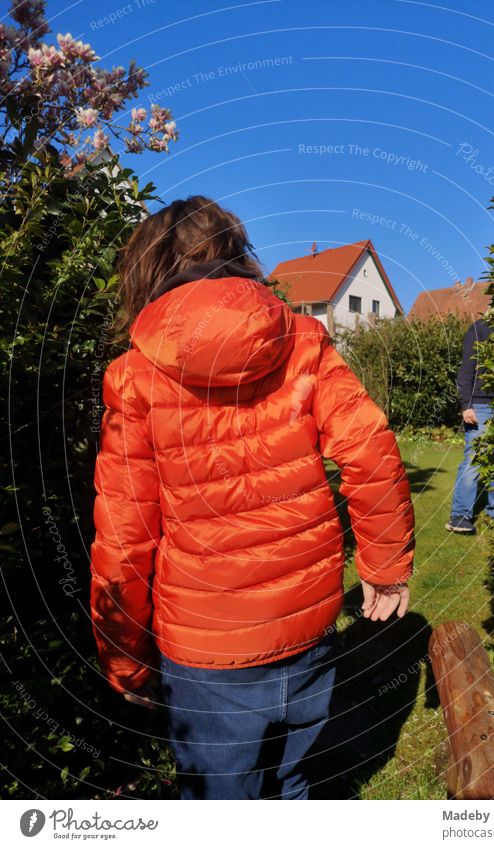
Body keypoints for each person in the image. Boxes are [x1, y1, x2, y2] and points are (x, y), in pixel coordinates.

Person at [89, 195, 415, 800]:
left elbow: (126, 534)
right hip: (308, 621)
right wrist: (386, 566)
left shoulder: (134, 375)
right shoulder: (303, 340)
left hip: (205, 645)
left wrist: (123, 653)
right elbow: (369, 446)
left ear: (148, 269)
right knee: (290, 779)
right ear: (238, 252)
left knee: (219, 802)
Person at [446, 316, 494, 534]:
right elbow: (466, 368)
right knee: (475, 459)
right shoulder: (480, 327)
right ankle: (459, 516)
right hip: (480, 405)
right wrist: (466, 404)